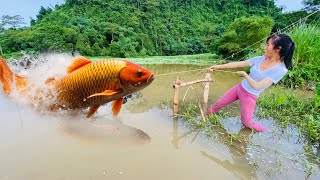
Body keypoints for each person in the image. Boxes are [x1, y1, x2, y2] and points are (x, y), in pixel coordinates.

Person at [205, 34, 295, 132]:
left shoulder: (281, 70)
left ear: (278, 49)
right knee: (217, 105)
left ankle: (268, 132)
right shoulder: (260, 59)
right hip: (239, 88)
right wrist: (217, 67)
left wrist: (245, 74)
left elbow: (257, 86)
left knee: (247, 123)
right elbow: (238, 64)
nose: (264, 48)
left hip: (250, 95)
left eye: (268, 45)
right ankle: (203, 119)